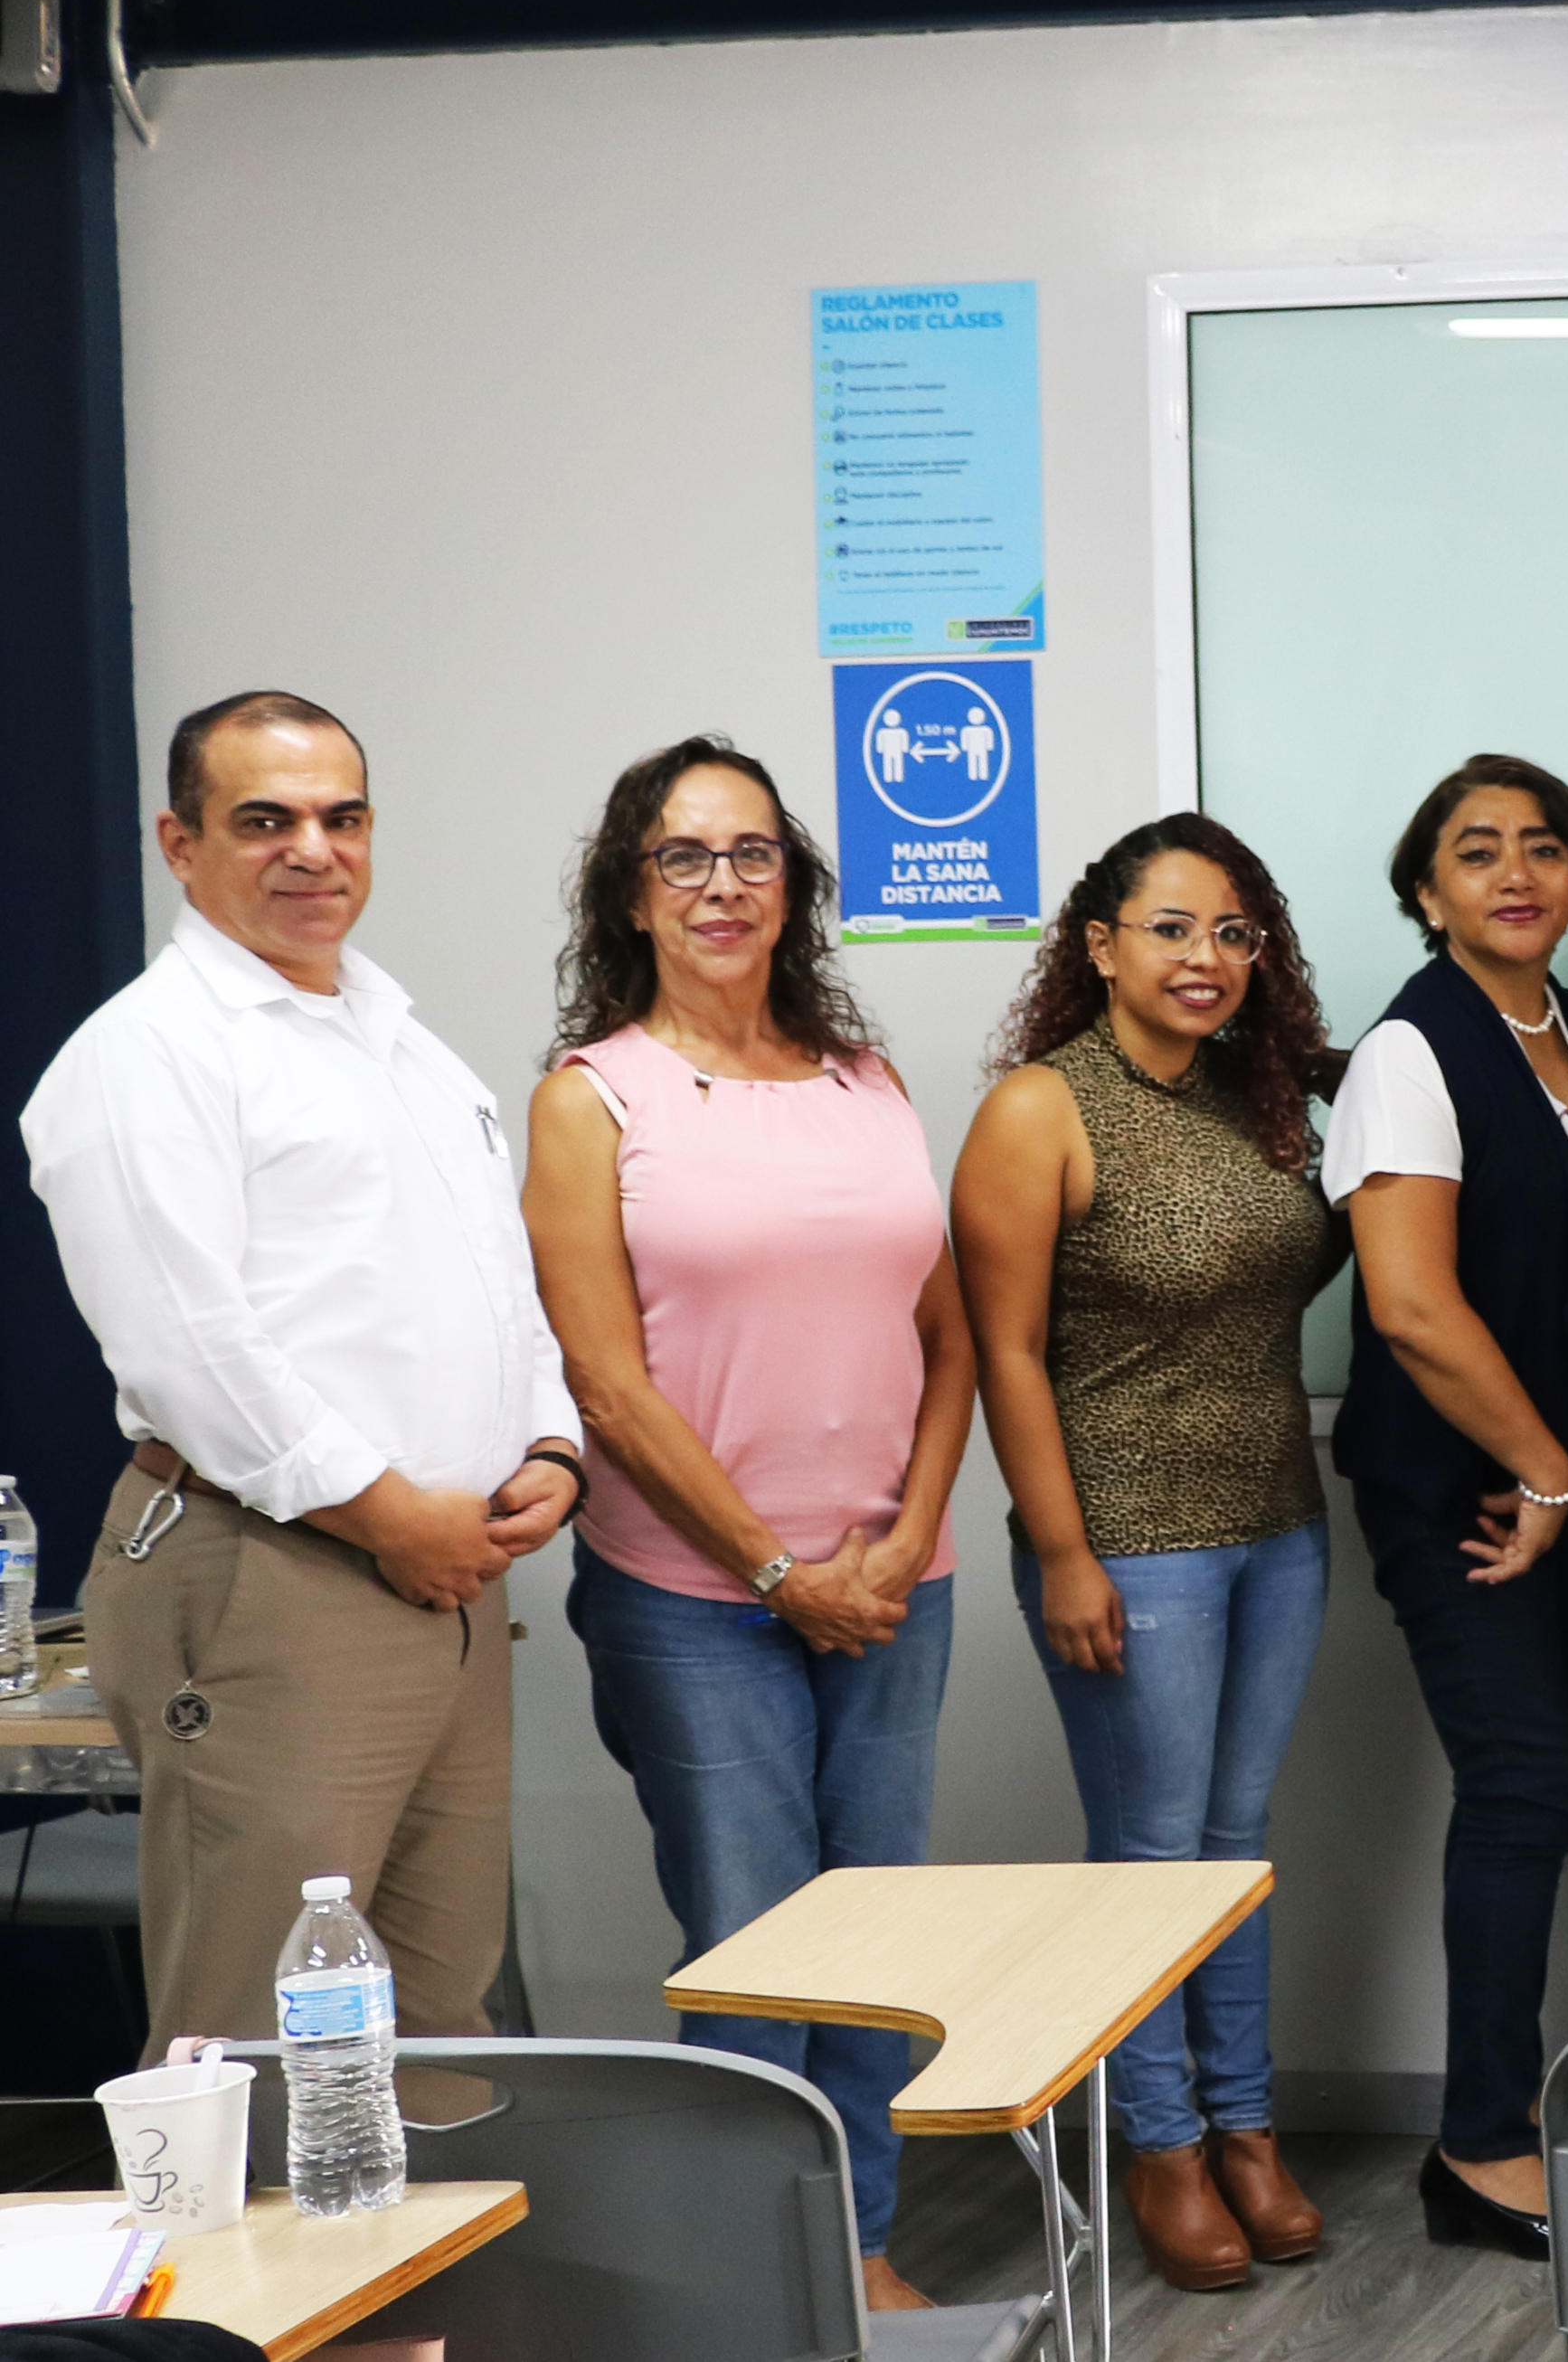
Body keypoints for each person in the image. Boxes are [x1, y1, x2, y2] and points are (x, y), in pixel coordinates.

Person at [22, 694, 585, 2056]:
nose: (311, 850)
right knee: (265, 2029)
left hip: (447, 1578)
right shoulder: (145, 1055)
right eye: (264, 819)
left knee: (440, 2010)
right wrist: (391, 1513)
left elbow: (499, 1285)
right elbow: (187, 1341)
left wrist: (551, 1447)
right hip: (278, 1571)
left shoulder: (401, 1040)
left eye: (341, 817)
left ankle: (434, 2281)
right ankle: (221, 2282)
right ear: (180, 839)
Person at [524, 738, 975, 2310]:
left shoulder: (869, 1083)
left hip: (894, 1586)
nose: (722, 884)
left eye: (753, 853)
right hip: (693, 1602)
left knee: (873, 1939)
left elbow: (951, 1330)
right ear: (631, 896)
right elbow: (605, 1385)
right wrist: (780, 1574)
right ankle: (745, 2270)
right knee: (756, 1939)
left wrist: (908, 1535)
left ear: (794, 886)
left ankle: (850, 2242)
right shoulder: (593, 1100)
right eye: (683, 857)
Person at [951, 813, 1346, 2290]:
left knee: (1230, 1853)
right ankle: (1163, 2145)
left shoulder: (1272, 1103)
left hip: (1277, 1529)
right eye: (1171, 928)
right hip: (1125, 1542)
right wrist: (1062, 1552)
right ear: (1101, 946)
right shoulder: (1041, 1110)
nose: (1206, 958)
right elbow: (1002, 1354)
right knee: (1149, 1858)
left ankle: (1247, 2127)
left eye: (1234, 933)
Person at [1324, 755, 1568, 2260]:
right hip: (1474, 1489)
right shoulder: (1411, 1048)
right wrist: (1542, 1470)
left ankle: (1500, 2119)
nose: (1515, 872)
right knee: (1524, 1786)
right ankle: (1473, 2142)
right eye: (1477, 852)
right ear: (1424, 890)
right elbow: (1407, 1304)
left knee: (1539, 1784)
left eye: (1543, 847)